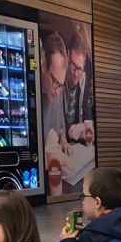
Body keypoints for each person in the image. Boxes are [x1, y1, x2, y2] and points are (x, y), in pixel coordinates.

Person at [41, 32, 71, 188]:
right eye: (54, 82)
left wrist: (63, 139)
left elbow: (60, 126)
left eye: (61, 85)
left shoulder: (57, 90)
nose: (57, 91)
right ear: (43, 64)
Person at [63, 28, 95, 146]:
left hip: (74, 140)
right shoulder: (60, 77)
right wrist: (70, 130)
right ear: (68, 55)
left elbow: (87, 111)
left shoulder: (84, 76)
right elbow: (56, 120)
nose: (76, 74)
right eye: (73, 66)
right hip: (60, 139)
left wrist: (85, 127)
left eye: (80, 69)